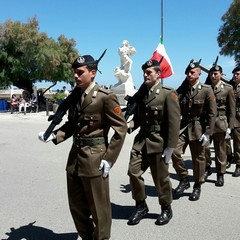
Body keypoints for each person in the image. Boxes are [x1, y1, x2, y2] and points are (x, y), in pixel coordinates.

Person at [38, 50, 127, 240]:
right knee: (77, 206)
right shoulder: (75, 96)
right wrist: (54, 136)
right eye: (75, 72)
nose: (75, 76)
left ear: (92, 72)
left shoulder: (105, 96)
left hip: (95, 158)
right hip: (75, 159)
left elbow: (121, 129)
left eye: (80, 72)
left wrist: (109, 159)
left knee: (99, 209)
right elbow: (72, 125)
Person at [127, 59, 180, 226]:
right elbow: (139, 119)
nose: (145, 74)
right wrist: (128, 126)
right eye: (144, 72)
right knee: (133, 172)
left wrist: (170, 147)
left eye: (149, 72)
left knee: (161, 178)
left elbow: (174, 122)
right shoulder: (141, 93)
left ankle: (166, 208)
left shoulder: (167, 93)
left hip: (159, 142)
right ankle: (141, 206)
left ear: (158, 74)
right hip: (141, 141)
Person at [172, 60, 217, 201]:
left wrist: (208, 132)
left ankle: (197, 186)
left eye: (192, 72)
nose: (189, 75)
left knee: (198, 159)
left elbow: (212, 113)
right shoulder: (182, 89)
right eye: (187, 73)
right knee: (174, 152)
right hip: (183, 126)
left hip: (198, 128)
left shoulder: (206, 90)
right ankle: (184, 179)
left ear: (199, 74)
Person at [203, 64, 235, 186]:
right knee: (205, 148)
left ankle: (220, 174)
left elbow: (231, 110)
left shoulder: (228, 88)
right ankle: (207, 169)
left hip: (221, 123)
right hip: (207, 123)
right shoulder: (205, 88)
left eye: (216, 73)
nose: (213, 75)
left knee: (220, 150)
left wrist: (230, 127)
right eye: (211, 73)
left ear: (221, 74)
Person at [231, 65, 240, 177]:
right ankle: (238, 164)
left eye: (238, 74)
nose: (235, 76)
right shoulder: (230, 86)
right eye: (234, 74)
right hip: (236, 119)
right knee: (237, 143)